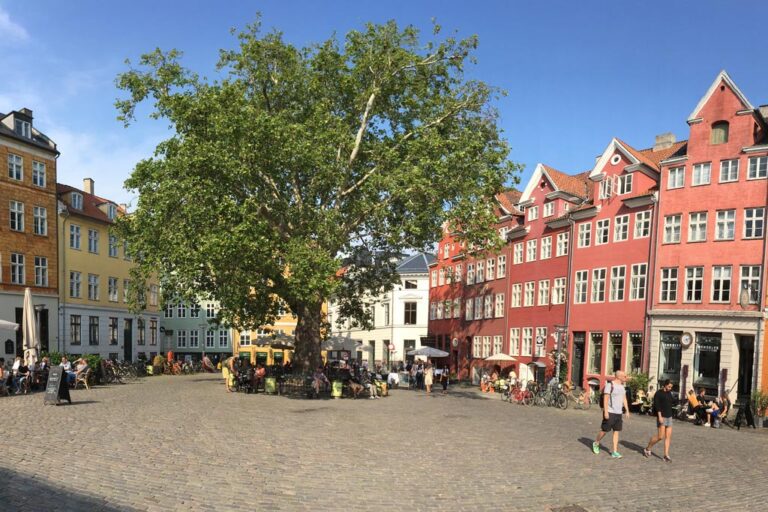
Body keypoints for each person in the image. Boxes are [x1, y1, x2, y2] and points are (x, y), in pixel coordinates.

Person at [592, 371, 629, 459]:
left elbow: (624, 399)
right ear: (619, 377)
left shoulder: (622, 387)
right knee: (605, 430)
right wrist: (605, 412)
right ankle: (596, 442)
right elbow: (606, 399)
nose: (626, 377)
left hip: (618, 413)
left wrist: (627, 410)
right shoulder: (610, 385)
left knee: (616, 431)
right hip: (610, 411)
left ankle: (615, 451)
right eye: (625, 376)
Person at [644, 379, 674, 462]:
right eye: (669, 386)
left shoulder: (669, 393)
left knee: (668, 437)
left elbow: (671, 403)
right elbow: (657, 405)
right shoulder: (658, 393)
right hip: (662, 416)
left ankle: (666, 455)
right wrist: (660, 416)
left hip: (669, 416)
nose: (670, 388)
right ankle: (648, 448)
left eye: (671, 387)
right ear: (665, 385)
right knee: (660, 437)